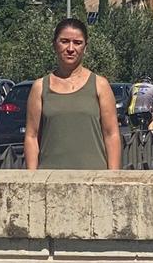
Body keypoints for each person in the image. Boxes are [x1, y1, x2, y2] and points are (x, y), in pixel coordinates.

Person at [24, 18, 122, 170]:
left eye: (77, 43)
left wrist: (113, 176)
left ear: (85, 47)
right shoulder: (39, 87)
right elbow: (31, 136)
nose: (71, 48)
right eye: (64, 41)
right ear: (55, 44)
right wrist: (31, 177)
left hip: (93, 179)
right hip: (50, 179)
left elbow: (111, 134)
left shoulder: (100, 85)